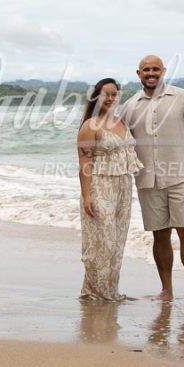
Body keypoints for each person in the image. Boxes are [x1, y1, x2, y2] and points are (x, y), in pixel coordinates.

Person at [122, 55, 184, 302]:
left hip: (181, 175)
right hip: (147, 179)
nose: (151, 73)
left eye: (155, 69)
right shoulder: (130, 106)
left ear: (163, 71)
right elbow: (120, 140)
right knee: (159, 235)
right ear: (138, 73)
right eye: (146, 70)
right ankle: (166, 291)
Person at [77, 78, 143, 301]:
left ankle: (110, 291)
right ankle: (96, 291)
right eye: (106, 94)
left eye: (114, 94)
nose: (111, 98)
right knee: (101, 240)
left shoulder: (122, 122)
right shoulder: (90, 126)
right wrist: (87, 196)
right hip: (100, 185)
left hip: (124, 185)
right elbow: (84, 163)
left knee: (117, 240)